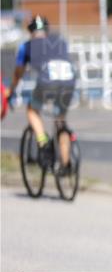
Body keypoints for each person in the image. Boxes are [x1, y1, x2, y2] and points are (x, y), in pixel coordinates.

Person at [8, 15, 78, 174]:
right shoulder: (59, 41)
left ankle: (43, 143)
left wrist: (10, 92)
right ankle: (66, 166)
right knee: (60, 120)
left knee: (32, 109)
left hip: (48, 81)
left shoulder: (26, 46)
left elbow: (18, 75)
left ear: (30, 31)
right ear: (46, 30)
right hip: (69, 81)